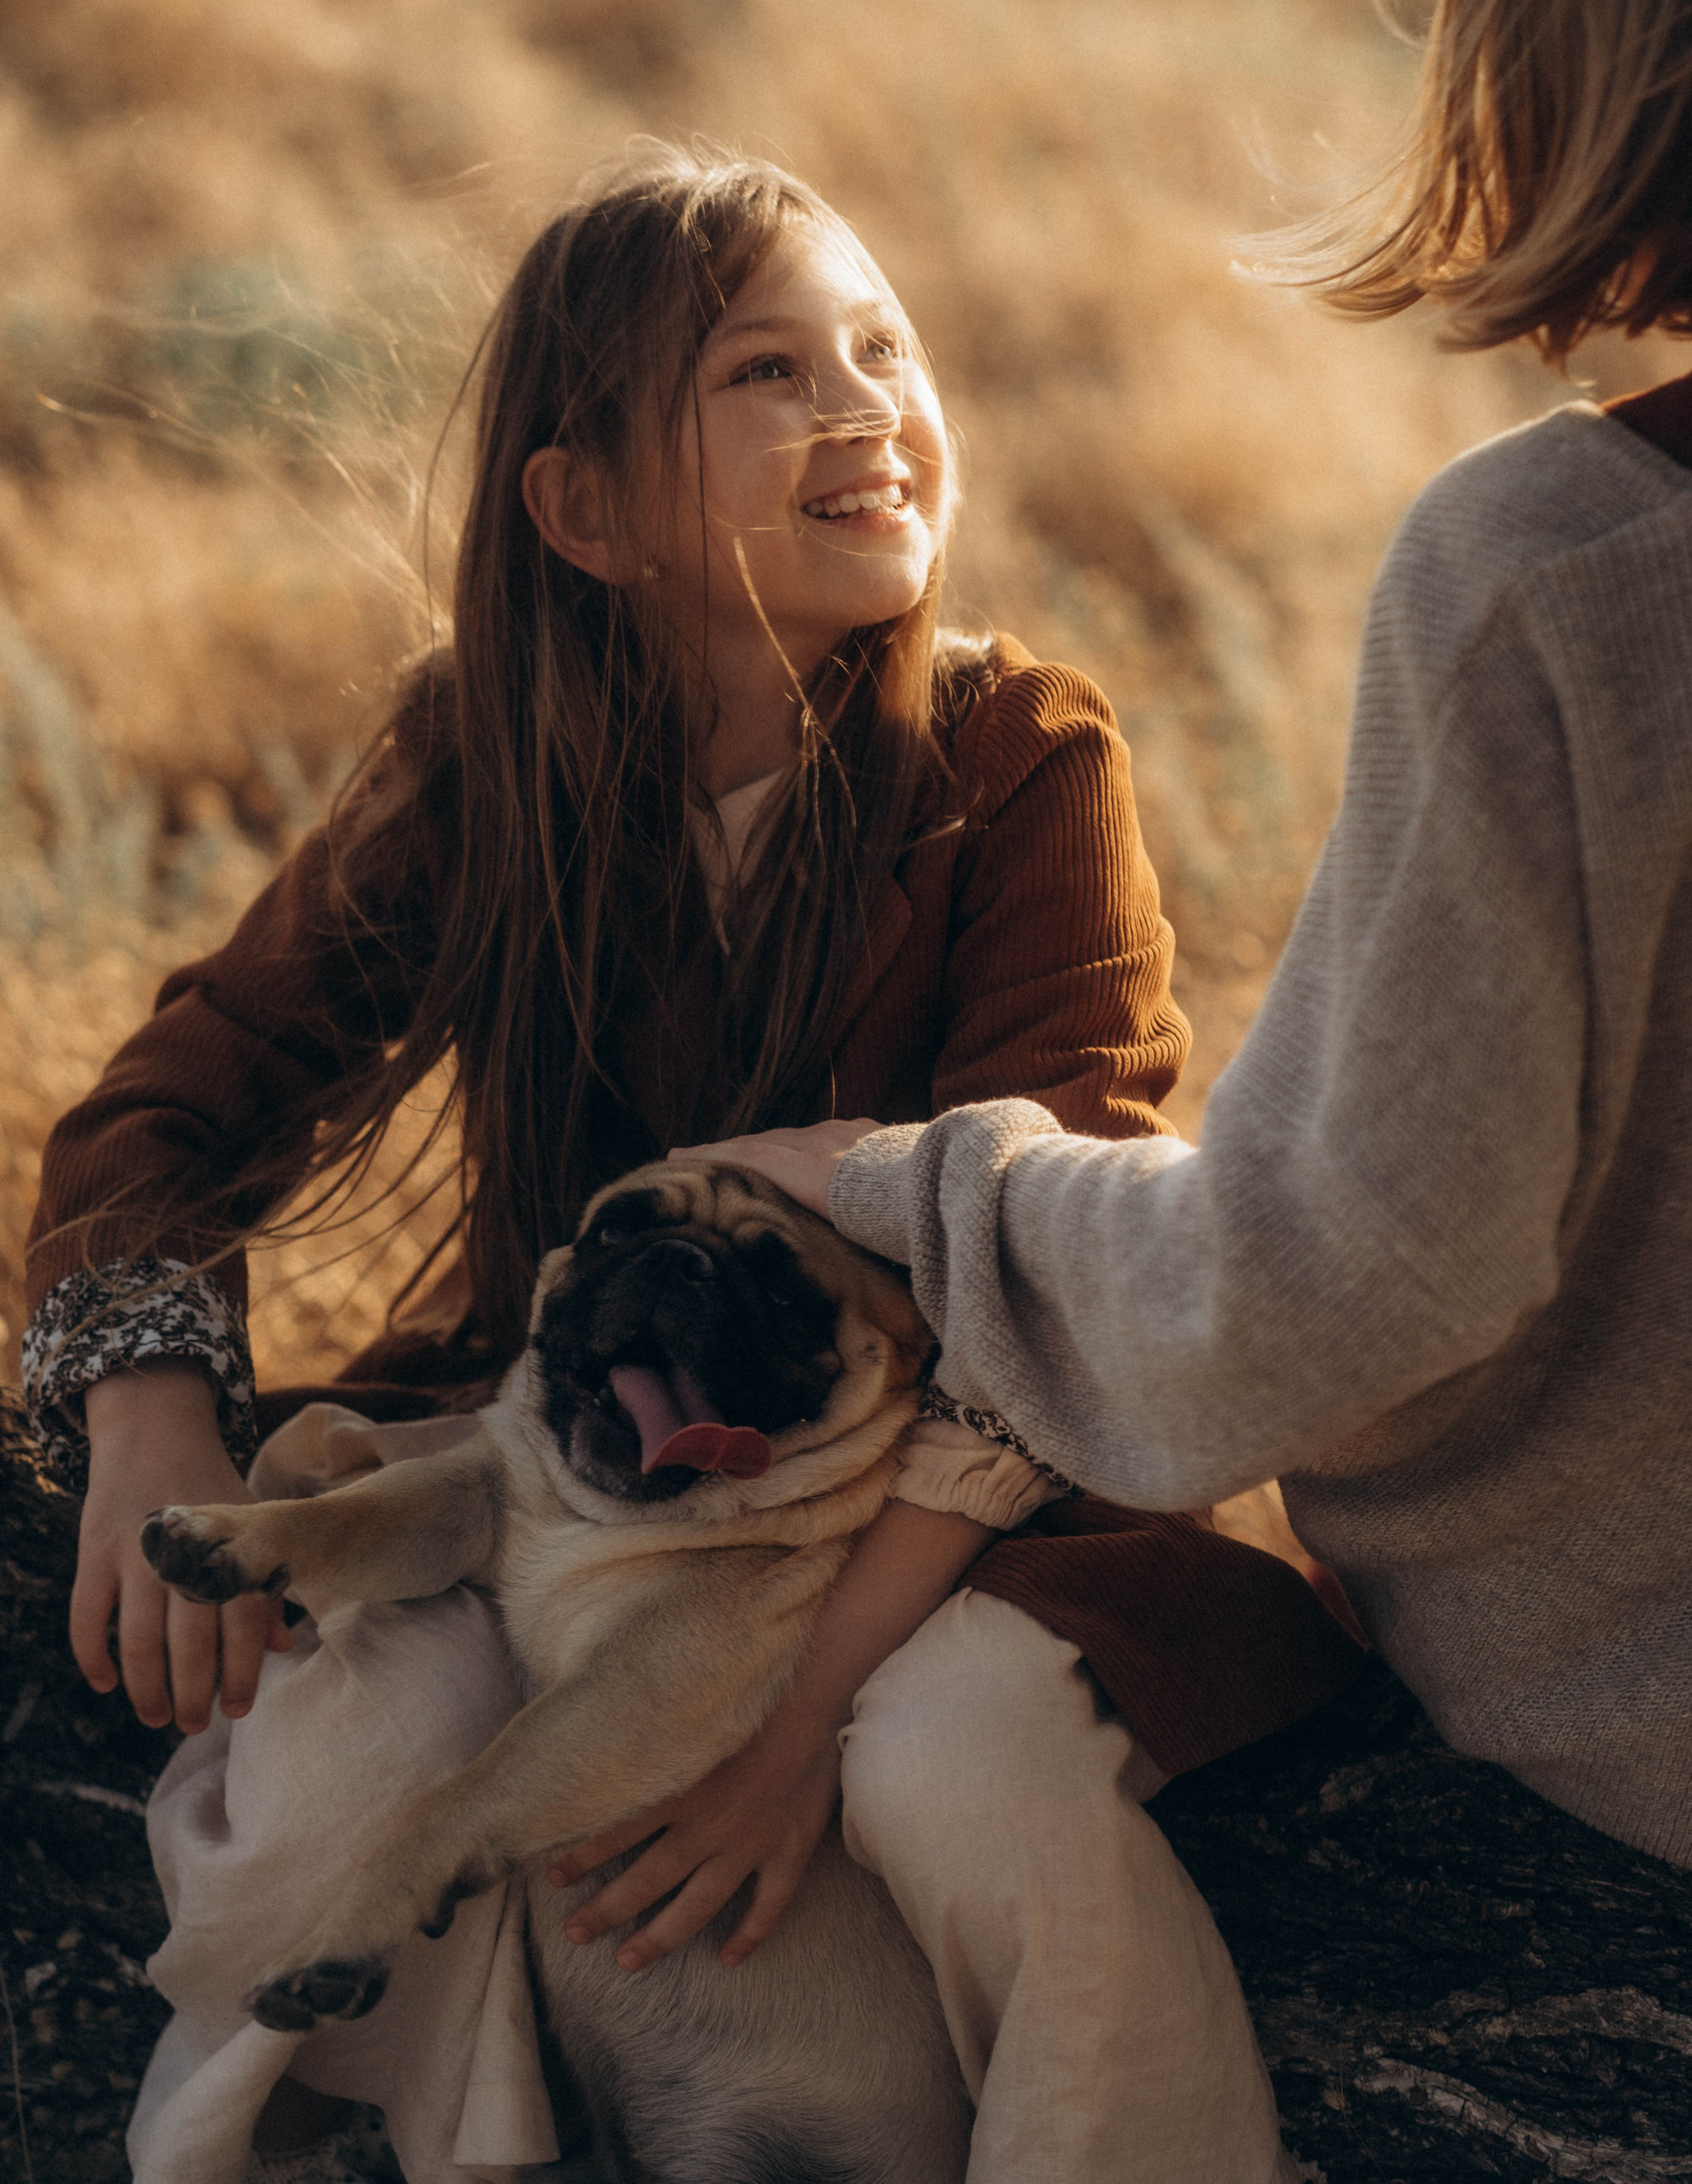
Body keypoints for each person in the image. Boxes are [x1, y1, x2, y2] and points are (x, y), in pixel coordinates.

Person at [22, 150, 1350, 2183]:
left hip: (962, 1513)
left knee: (960, 1762)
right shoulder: (492, 757)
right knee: (359, 1741)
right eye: (769, 371)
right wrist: (142, 1411)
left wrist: (799, 1719)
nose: (865, 405)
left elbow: (1061, 1243)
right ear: (590, 512)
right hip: (564, 1471)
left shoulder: (1018, 757)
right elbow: (168, 1111)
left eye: (884, 347)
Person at [693, 0, 1692, 1882]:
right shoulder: (479, 778)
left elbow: (1354, 1279)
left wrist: (911, 1186)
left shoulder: (1562, 573)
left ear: (1592, 59)